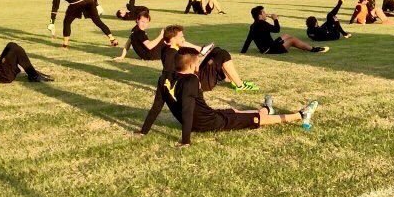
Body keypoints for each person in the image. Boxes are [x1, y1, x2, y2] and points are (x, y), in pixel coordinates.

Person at [137, 48, 319, 146]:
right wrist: (185, 141)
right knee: (255, 120)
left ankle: (267, 109)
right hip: (208, 123)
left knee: (234, 111)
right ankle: (301, 115)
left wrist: (143, 131)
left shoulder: (165, 78)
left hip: (208, 116)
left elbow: (156, 107)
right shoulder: (192, 80)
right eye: (198, 62)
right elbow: (186, 112)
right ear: (192, 65)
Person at [161, 25, 259, 92]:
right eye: (181, 37)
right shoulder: (170, 54)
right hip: (198, 82)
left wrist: (186, 44)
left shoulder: (179, 47)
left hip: (197, 74)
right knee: (222, 55)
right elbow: (171, 75)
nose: (184, 38)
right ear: (173, 39)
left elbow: (200, 51)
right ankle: (239, 85)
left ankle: (233, 80)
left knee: (216, 51)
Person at [49, 0, 119, 48]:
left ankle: (65, 45)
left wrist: (52, 21)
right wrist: (97, 4)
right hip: (89, 0)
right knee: (97, 21)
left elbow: (55, 5)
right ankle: (112, 39)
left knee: (67, 22)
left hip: (76, 2)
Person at [242, 6, 328, 54]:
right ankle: (313, 49)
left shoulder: (253, 25)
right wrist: (275, 19)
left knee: (286, 35)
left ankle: (307, 47)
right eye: (264, 12)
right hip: (270, 49)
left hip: (268, 47)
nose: (265, 14)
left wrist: (243, 52)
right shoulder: (263, 23)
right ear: (260, 15)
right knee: (292, 40)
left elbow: (248, 39)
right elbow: (277, 30)